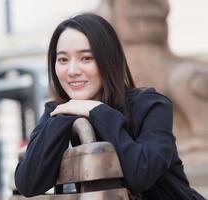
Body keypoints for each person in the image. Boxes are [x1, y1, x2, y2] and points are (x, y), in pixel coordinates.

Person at [14, 13, 205, 200]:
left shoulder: (151, 106)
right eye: (63, 60)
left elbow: (141, 175)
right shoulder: (57, 112)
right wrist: (62, 118)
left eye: (86, 58)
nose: (72, 71)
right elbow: (28, 184)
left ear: (108, 60)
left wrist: (98, 111)